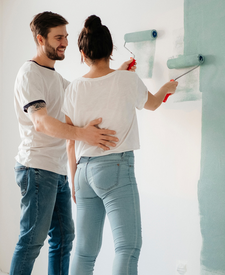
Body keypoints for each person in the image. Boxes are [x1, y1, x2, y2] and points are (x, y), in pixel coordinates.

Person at [11, 11, 134, 275]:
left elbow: (88, 89)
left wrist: (117, 74)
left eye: (66, 36)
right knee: (31, 242)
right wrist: (83, 135)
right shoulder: (29, 73)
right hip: (36, 168)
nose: (65, 42)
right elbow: (41, 122)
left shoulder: (57, 79)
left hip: (57, 171)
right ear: (40, 39)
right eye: (58, 37)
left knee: (64, 240)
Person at [62, 15, 178, 275]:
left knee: (84, 252)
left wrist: (73, 183)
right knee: (127, 247)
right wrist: (166, 87)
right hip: (115, 168)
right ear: (111, 49)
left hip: (82, 173)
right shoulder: (127, 81)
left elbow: (71, 141)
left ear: (82, 53)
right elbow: (152, 103)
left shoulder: (73, 88)